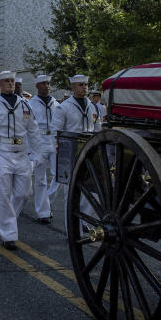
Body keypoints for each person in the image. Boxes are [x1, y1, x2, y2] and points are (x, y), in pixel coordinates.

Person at [0, 71, 42, 250]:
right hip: (2, 152)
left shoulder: (24, 104)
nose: (10, 84)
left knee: (25, 193)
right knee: (4, 195)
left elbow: (33, 129)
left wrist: (37, 153)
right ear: (0, 84)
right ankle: (8, 235)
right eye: (6, 81)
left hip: (21, 152)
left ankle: (8, 220)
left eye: (12, 81)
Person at [51, 75, 102, 230]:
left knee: (93, 191)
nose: (84, 88)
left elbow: (97, 128)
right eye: (81, 85)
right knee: (71, 192)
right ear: (73, 87)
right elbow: (56, 132)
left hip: (89, 151)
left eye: (86, 84)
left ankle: (84, 221)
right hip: (71, 152)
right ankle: (72, 229)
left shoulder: (92, 106)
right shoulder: (63, 107)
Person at [26, 75, 60, 224]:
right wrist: (29, 149)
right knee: (40, 179)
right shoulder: (30, 104)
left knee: (60, 176)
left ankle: (47, 200)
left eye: (48, 83)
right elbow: (26, 127)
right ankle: (43, 212)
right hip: (38, 141)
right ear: (37, 87)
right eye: (43, 84)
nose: (47, 86)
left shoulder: (56, 103)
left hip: (53, 141)